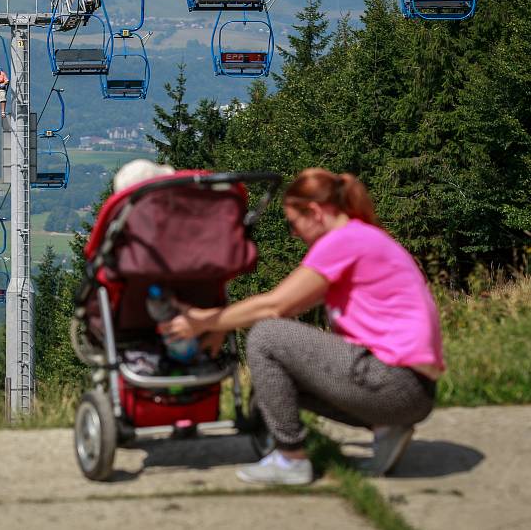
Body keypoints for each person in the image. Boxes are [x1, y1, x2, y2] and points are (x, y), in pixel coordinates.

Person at [160, 168, 443, 486]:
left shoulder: (343, 240)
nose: (294, 234)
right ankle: (386, 429)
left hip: (394, 384)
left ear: (316, 212)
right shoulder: (363, 236)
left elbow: (274, 306)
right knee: (276, 381)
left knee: (266, 336)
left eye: (294, 223)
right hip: (412, 391)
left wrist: (201, 321)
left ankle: (290, 460)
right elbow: (293, 304)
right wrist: (221, 326)